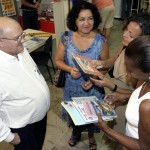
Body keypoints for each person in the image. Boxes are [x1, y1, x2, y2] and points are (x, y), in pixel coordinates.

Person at [89, 12, 150, 149]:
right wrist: (98, 63)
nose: (124, 35)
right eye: (126, 30)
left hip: (126, 105)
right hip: (121, 98)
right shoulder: (126, 47)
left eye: (131, 34)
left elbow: (142, 145)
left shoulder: (143, 69)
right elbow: (112, 60)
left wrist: (111, 85)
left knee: (120, 136)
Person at [54, 1, 109, 149]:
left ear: (95, 19)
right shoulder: (66, 38)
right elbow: (57, 60)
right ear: (74, 21)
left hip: (94, 88)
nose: (86, 23)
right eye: (81, 19)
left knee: (92, 116)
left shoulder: (101, 41)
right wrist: (69, 69)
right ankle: (76, 133)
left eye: (90, 18)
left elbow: (106, 66)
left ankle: (91, 136)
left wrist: (94, 80)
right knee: (75, 115)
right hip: (72, 87)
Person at [0, 16, 50, 150]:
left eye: (22, 34)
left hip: (40, 118)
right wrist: (10, 137)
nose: (23, 40)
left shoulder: (19, 49)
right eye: (18, 38)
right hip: (22, 128)